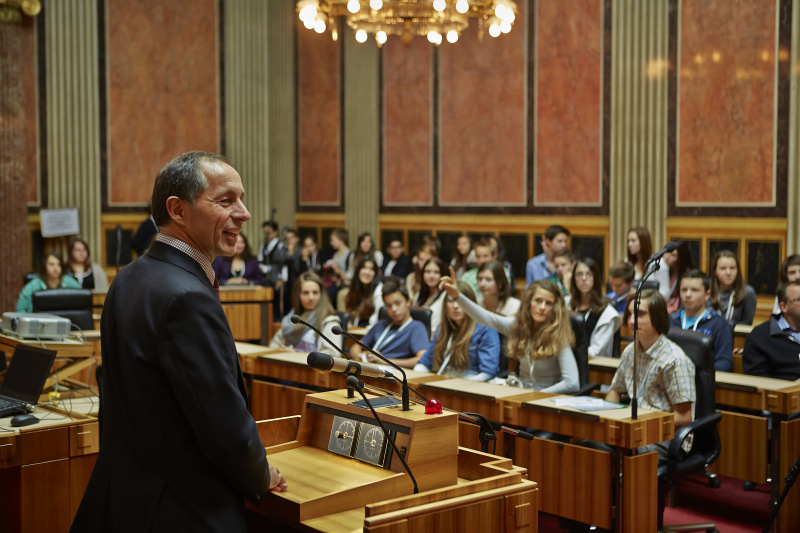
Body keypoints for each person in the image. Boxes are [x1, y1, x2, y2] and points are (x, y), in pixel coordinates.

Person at [72, 151, 286, 532]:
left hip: (129, 500)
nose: (244, 213)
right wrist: (260, 474)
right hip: (183, 511)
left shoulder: (128, 278)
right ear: (178, 210)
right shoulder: (187, 297)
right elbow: (221, 423)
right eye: (226, 200)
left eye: (241, 198)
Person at [441, 269, 579, 393]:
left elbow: (572, 383)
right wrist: (458, 297)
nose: (542, 307)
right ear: (529, 303)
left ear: (554, 308)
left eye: (548, 303)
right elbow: (485, 318)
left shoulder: (559, 335)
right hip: (519, 395)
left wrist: (537, 396)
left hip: (545, 400)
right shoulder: (517, 327)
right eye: (538, 301)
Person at [605, 289, 696, 464]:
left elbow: (684, 418)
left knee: (636, 453)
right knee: (592, 444)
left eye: (640, 314)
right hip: (634, 428)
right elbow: (615, 391)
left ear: (657, 317)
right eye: (630, 314)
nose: (632, 321)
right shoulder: (630, 351)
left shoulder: (674, 359)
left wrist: (640, 426)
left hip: (667, 435)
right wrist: (608, 419)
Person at [414, 282, 500, 381]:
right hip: (445, 381)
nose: (455, 306)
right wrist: (414, 380)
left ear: (471, 304)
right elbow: (425, 362)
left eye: (460, 301)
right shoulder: (441, 329)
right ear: (445, 305)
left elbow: (488, 372)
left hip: (473, 383)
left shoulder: (485, 329)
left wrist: (461, 386)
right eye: (451, 300)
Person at [349, 279, 430, 368]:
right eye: (388, 305)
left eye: (397, 303)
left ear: (408, 302)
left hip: (393, 372)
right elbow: (355, 347)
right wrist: (360, 356)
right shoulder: (381, 324)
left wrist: (384, 361)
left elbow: (421, 359)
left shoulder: (416, 327)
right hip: (370, 368)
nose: (393, 309)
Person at [668, 269, 733, 372]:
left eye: (694, 290)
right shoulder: (670, 319)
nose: (688, 294)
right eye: (684, 290)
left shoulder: (719, 324)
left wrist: (701, 375)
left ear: (707, 295)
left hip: (702, 378)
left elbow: (725, 362)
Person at [270, 272, 342, 356]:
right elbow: (273, 346)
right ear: (297, 295)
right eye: (306, 293)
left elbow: (333, 355)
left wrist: (296, 354)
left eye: (315, 292)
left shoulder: (328, 321)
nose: (311, 297)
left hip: (309, 364)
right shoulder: (292, 319)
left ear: (321, 294)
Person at [743, 281, 800, 381]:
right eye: (799, 299)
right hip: (782, 389)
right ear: (784, 306)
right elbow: (758, 379)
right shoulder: (760, 336)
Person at [566, 258, 621, 357]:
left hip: (593, 363)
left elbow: (597, 350)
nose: (583, 278)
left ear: (595, 278)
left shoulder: (607, 313)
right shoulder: (566, 304)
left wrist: (570, 357)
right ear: (574, 278)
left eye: (589, 274)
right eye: (579, 274)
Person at [16, 253, 82, 313]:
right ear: (44, 266)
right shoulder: (34, 284)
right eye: (51, 264)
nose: (56, 268)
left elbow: (82, 300)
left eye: (59, 264)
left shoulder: (69, 282)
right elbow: (20, 308)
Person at [709, 250, 756, 327]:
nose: (728, 273)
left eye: (732, 268)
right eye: (723, 268)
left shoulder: (748, 292)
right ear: (715, 271)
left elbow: (746, 324)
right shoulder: (707, 290)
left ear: (737, 270)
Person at [627, 226, 670, 298]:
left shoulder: (658, 263)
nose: (629, 244)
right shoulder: (628, 263)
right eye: (628, 241)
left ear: (643, 242)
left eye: (633, 241)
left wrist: (645, 298)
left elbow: (665, 293)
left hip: (652, 303)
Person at [341, 257, 384, 327]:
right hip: (356, 329)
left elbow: (378, 320)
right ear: (358, 270)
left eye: (371, 269)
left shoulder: (379, 291)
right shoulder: (357, 288)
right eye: (364, 268)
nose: (367, 272)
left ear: (375, 274)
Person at [414, 257, 447, 336]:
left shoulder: (445, 296)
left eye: (436, 272)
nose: (431, 276)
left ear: (442, 274)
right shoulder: (419, 295)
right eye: (428, 272)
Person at [663, 239, 695, 313]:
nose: (667, 257)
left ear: (681, 258)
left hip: (677, 310)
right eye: (667, 252)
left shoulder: (687, 274)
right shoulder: (664, 269)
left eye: (673, 255)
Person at [257, 220, 287, 288]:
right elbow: (260, 261)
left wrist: (282, 279)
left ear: (275, 232)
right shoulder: (263, 246)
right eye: (264, 233)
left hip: (277, 278)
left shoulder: (281, 245)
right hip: (265, 278)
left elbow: (284, 264)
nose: (266, 235)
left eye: (268, 233)